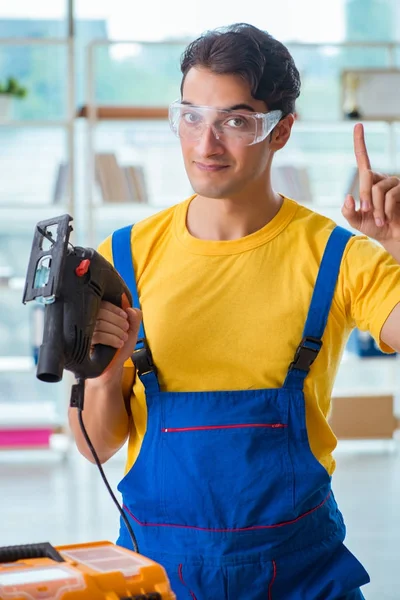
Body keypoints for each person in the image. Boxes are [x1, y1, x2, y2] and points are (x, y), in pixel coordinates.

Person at [69, 23, 400, 599]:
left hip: (301, 575)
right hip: (156, 576)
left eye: (236, 120)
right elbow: (96, 449)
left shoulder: (337, 258)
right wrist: (102, 378)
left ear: (282, 131)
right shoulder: (123, 258)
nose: (206, 144)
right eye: (192, 116)